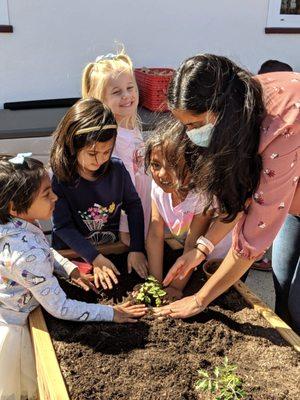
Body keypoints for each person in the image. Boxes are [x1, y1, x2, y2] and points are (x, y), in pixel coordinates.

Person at [154, 54, 300, 334]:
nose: (190, 133)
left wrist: (199, 300)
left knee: (298, 304)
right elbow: (243, 197)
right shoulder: (238, 102)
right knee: (284, 288)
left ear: (221, 110)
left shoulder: (282, 125)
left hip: (289, 191)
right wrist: (200, 250)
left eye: (194, 125)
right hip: (290, 202)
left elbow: (252, 238)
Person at [0, 154, 147, 399]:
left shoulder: (16, 224)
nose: (55, 197)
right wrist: (113, 313)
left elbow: (46, 251)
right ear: (16, 206)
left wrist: (71, 270)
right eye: (47, 194)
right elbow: (61, 308)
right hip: (15, 321)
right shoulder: (25, 255)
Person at [50, 98, 148, 291]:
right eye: (92, 153)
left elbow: (134, 206)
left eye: (106, 152)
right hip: (72, 255)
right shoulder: (61, 178)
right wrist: (94, 258)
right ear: (72, 145)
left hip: (109, 248)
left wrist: (136, 248)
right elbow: (62, 226)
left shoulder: (117, 170)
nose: (101, 160)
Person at [145, 122, 232, 299]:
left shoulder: (201, 196)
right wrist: (155, 282)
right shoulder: (157, 189)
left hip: (217, 258)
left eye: (172, 165)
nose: (161, 174)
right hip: (191, 256)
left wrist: (176, 287)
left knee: (223, 296)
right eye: (155, 165)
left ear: (192, 165)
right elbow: (155, 233)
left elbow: (193, 242)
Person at [81, 50, 151, 244]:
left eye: (130, 87)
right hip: (124, 219)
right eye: (117, 92)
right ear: (99, 99)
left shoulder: (131, 125)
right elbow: (113, 188)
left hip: (142, 206)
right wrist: (125, 229)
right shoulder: (109, 139)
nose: (127, 96)